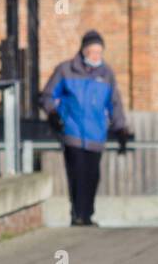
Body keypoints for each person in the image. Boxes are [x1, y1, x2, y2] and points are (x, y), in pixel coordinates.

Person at [40, 30, 133, 227]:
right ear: (84, 51)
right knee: (77, 174)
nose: (96, 56)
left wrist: (121, 128)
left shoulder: (106, 74)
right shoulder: (66, 70)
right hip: (72, 132)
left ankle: (87, 214)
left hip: (96, 134)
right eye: (93, 52)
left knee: (92, 176)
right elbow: (47, 95)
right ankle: (78, 214)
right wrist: (54, 114)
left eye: (99, 52)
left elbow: (114, 103)